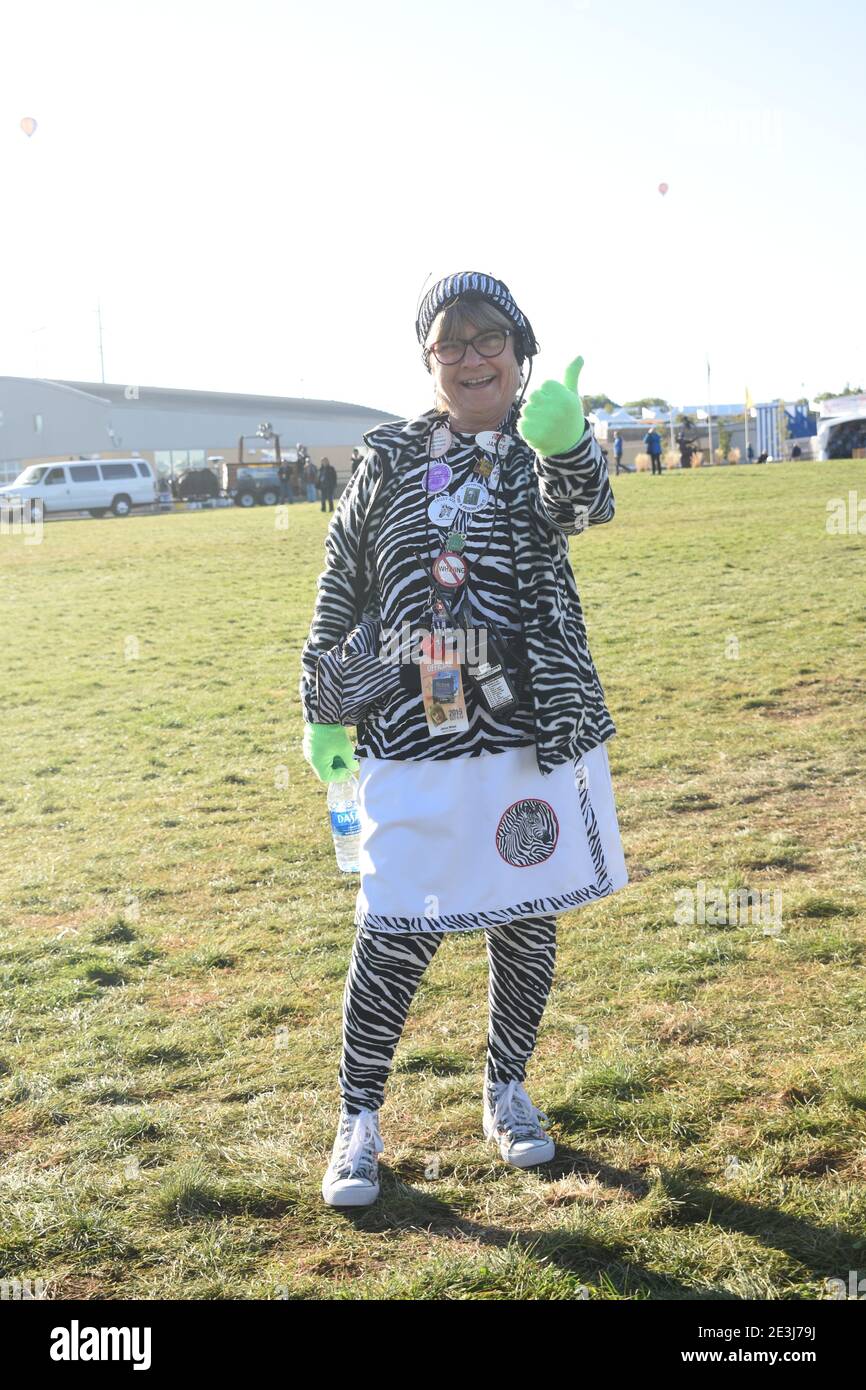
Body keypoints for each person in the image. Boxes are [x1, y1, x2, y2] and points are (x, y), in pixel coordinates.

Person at [299, 270, 628, 1208]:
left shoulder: (541, 440)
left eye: (492, 339)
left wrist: (564, 444)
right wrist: (324, 702)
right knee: (395, 923)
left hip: (530, 726)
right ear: (428, 358)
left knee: (526, 915)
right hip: (411, 726)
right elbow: (342, 579)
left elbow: (582, 508)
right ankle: (358, 1118)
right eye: (453, 341)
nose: (473, 355)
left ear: (521, 354)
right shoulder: (391, 459)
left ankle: (507, 1087)